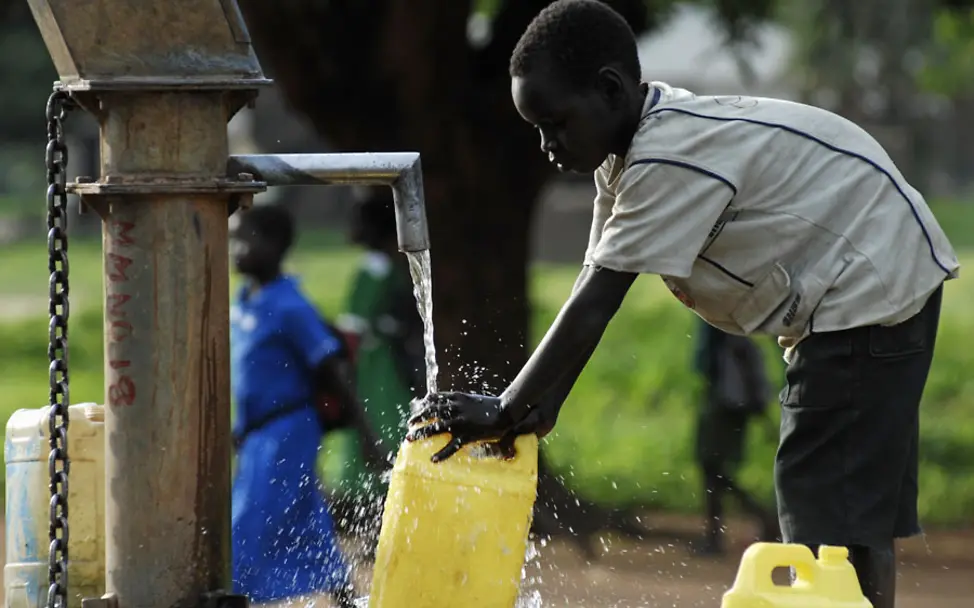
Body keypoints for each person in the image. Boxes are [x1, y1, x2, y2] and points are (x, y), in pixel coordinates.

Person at [406, 2, 959, 606]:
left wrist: (506, 407)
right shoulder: (628, 158)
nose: (547, 144)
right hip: (878, 273)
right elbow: (592, 279)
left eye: (556, 123)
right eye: (537, 129)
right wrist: (542, 407)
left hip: (869, 282)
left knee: (822, 501)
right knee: (846, 507)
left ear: (610, 90)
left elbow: (599, 300)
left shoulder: (667, 157)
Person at [228, 203, 384, 607]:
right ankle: (344, 595)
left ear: (277, 244)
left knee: (246, 524)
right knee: (306, 521)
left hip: (287, 430)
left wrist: (365, 435)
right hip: (258, 432)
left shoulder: (290, 306)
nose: (236, 249)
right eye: (233, 239)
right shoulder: (243, 302)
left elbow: (333, 369)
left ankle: (237, 596)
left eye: (246, 240)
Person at [323, 191, 426, 546]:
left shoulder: (373, 269)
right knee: (392, 431)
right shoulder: (395, 267)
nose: (351, 228)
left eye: (358, 221)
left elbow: (353, 327)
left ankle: (377, 527)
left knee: (374, 434)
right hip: (391, 366)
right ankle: (391, 522)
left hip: (373, 368)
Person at [692, 318, 778, 556]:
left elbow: (736, 370)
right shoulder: (728, 330)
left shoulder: (724, 327)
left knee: (713, 469)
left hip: (726, 405)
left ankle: (753, 519)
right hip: (725, 402)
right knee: (713, 470)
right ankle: (718, 533)